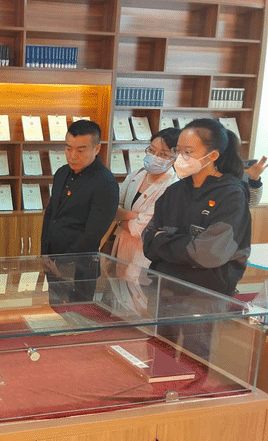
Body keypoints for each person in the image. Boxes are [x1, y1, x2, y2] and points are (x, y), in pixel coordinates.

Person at [143, 118, 251, 360]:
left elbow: (209, 252)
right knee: (159, 356)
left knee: (195, 360)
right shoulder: (174, 191)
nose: (180, 157)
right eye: (178, 150)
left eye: (188, 152)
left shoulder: (231, 195)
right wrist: (184, 244)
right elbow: (148, 241)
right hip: (164, 288)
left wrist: (165, 242)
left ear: (213, 156)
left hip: (203, 295)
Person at [41, 119, 119, 302]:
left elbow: (93, 233)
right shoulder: (62, 173)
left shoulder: (105, 182)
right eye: (68, 149)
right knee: (55, 310)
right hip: (52, 261)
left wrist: (62, 262)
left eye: (80, 150)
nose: (72, 156)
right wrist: (44, 253)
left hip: (79, 266)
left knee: (77, 314)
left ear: (97, 149)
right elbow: (51, 214)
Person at [111, 128, 180, 281]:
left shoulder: (173, 186)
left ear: (175, 158)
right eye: (152, 150)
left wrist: (122, 218)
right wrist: (132, 215)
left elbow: (140, 229)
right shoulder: (136, 174)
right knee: (117, 288)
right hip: (122, 246)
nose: (154, 157)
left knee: (137, 291)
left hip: (145, 254)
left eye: (163, 154)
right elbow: (114, 208)